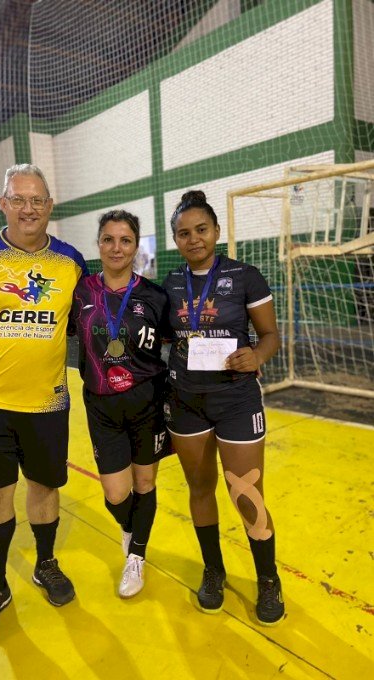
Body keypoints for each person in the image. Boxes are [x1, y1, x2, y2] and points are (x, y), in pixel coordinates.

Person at [0, 164, 88, 640]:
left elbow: (79, 327)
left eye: (38, 200)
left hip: (47, 403)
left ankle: (46, 564)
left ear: (50, 206)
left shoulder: (71, 262)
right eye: (19, 199)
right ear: (4, 203)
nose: (29, 208)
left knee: (45, 488)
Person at [162, 190, 284, 626]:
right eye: (183, 233)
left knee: (246, 494)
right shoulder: (172, 283)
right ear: (174, 239)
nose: (193, 239)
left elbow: (270, 336)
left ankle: (268, 578)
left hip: (236, 399)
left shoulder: (245, 276)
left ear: (216, 231)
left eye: (201, 230)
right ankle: (213, 570)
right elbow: (161, 338)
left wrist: (258, 356)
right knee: (199, 490)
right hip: (186, 402)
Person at [71, 209, 171, 598]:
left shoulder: (155, 296)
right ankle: (131, 529)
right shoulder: (80, 292)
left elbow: (176, 343)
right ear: (98, 244)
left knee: (145, 482)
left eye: (125, 240)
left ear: (136, 246)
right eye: (109, 239)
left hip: (147, 403)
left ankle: (137, 558)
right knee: (116, 493)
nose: (117, 247)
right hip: (101, 406)